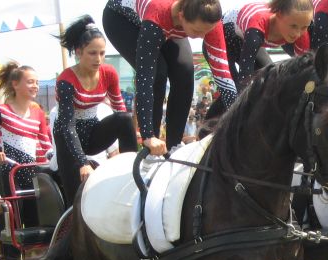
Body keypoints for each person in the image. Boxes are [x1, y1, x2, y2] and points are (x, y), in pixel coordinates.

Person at [102, 0, 236, 156]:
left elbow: (223, 75)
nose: (202, 37)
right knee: (158, 72)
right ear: (181, 16)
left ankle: (174, 145)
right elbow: (145, 80)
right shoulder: (158, 12)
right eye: (197, 30)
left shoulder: (209, 22)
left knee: (185, 70)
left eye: (206, 31)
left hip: (165, 22)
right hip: (121, 19)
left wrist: (239, 116)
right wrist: (148, 136)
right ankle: (151, 149)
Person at [0, 61, 53, 260]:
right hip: (9, 175)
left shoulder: (38, 114)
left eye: (37, 82)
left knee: (35, 226)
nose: (35, 86)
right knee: (9, 221)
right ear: (15, 84)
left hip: (32, 175)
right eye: (30, 82)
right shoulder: (2, 111)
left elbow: (46, 146)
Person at [54, 15, 137, 206]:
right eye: (92, 53)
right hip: (68, 137)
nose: (98, 59)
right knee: (76, 201)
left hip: (92, 132)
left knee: (124, 118)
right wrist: (83, 162)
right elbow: (68, 126)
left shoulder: (109, 73)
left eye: (102, 53)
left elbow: (120, 110)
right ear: (78, 52)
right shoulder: (66, 80)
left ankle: (134, 169)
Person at [48, 102, 120, 171]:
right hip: (94, 167)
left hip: (62, 165)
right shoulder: (103, 109)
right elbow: (114, 152)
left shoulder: (55, 110)